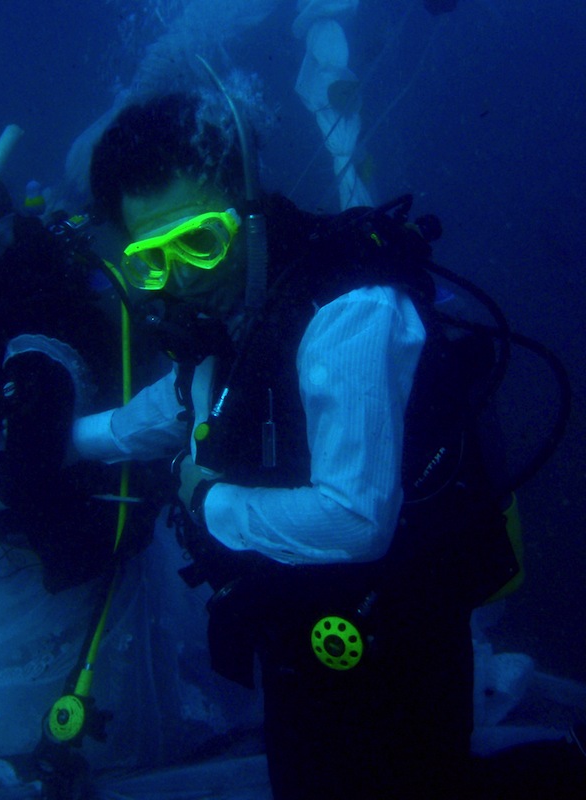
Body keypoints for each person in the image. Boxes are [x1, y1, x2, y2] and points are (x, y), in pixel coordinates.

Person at [72, 89, 528, 799]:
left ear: (250, 205)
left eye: (201, 241)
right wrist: (69, 441)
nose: (184, 280)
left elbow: (355, 520)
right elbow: (171, 404)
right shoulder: (238, 308)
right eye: (153, 261)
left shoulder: (350, 310)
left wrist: (209, 499)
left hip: (392, 639)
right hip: (296, 625)